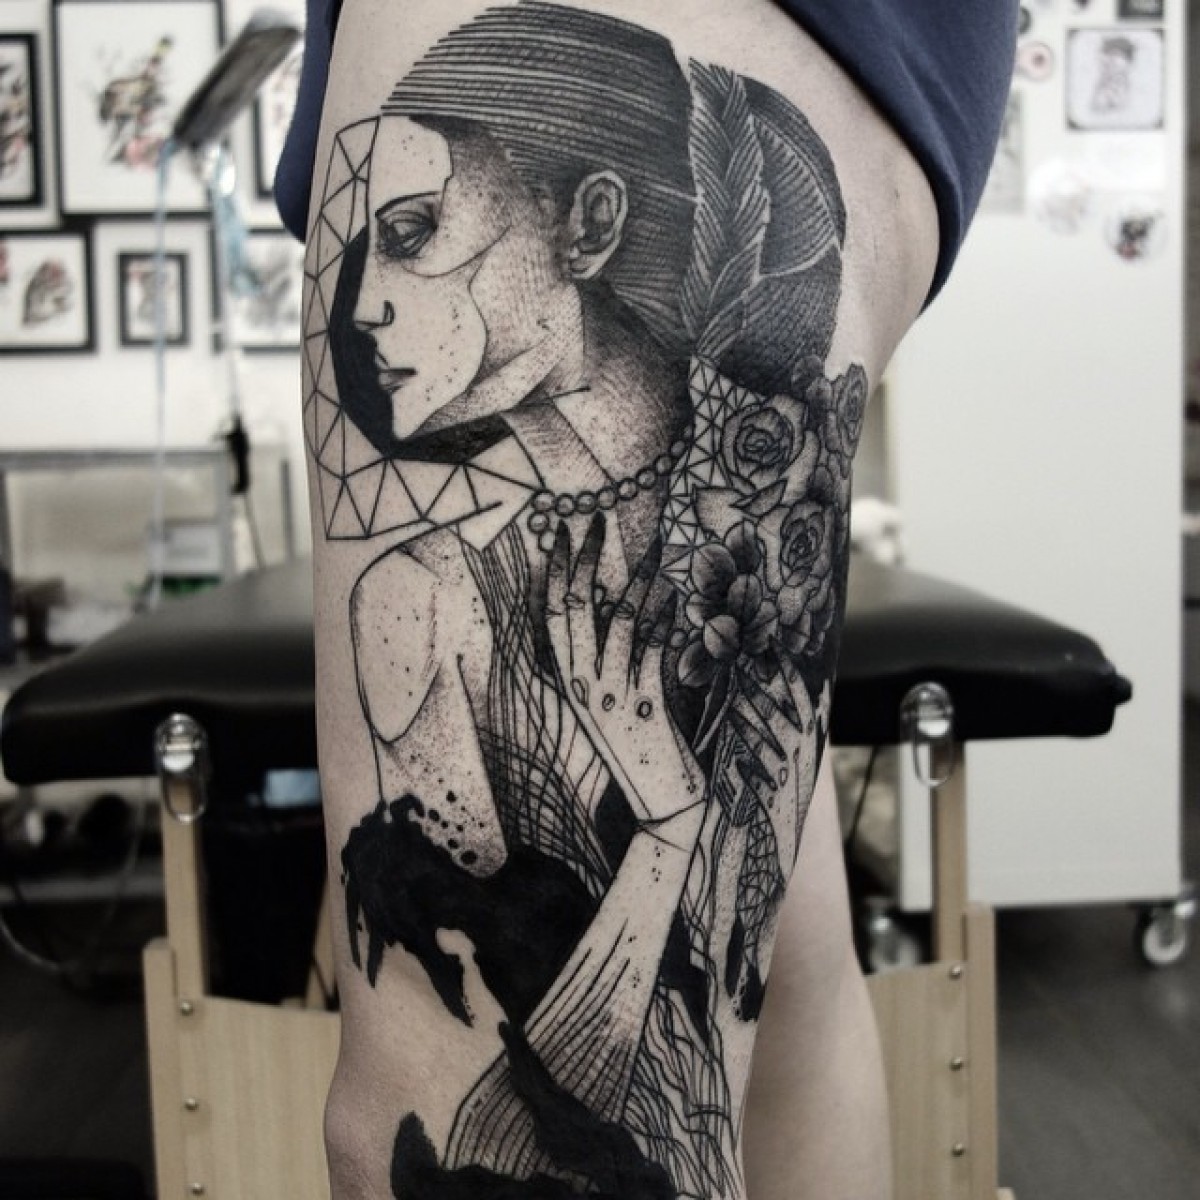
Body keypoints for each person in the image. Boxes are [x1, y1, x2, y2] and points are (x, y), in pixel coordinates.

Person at [283, 2, 1017, 1197]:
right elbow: (555, 1025)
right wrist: (671, 836)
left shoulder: (458, 597)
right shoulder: (453, 593)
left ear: (591, 220)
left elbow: (508, 1130)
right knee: (782, 985)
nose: (361, 298)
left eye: (412, 232)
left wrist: (667, 832)